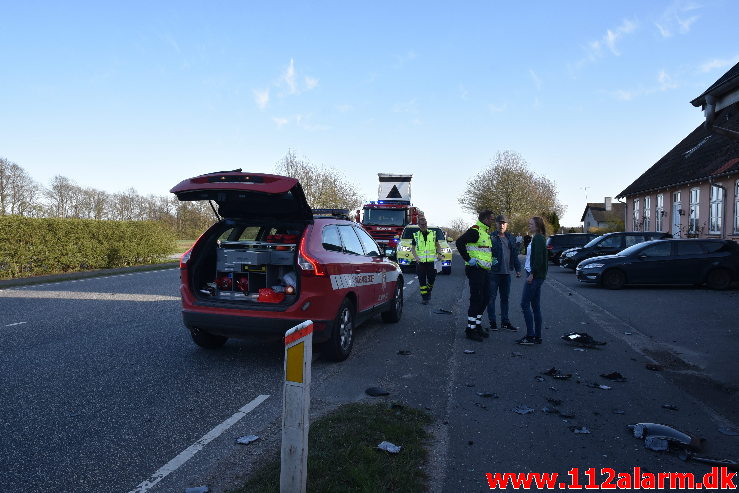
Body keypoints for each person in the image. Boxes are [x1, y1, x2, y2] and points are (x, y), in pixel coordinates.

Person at [455, 210, 496, 342]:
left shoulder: (485, 232)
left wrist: (491, 259)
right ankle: (470, 329)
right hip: (475, 270)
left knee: (485, 298)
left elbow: (483, 251)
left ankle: (477, 325)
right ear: (484, 219)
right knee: (476, 299)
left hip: (484, 270)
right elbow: (459, 242)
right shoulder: (475, 231)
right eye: (491, 219)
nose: (492, 221)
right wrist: (468, 259)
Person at [517, 216, 548, 345]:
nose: (529, 225)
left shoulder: (539, 238)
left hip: (534, 276)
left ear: (538, 225)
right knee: (535, 306)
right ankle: (537, 337)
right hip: (534, 275)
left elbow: (539, 259)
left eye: (531, 224)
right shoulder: (536, 238)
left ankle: (530, 336)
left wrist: (532, 274)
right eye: (529, 223)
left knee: (524, 304)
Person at [487, 214, 521, 331]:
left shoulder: (511, 238)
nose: (501, 225)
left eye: (503, 223)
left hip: (506, 274)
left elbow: (514, 255)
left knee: (505, 299)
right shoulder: (490, 237)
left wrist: (518, 269)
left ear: (506, 225)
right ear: (496, 224)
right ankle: (493, 322)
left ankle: (505, 322)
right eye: (499, 223)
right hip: (493, 273)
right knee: (491, 298)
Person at [411, 217, 443, 305]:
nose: (424, 226)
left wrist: (439, 254)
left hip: (431, 261)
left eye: (425, 224)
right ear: (419, 225)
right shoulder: (416, 235)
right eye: (422, 224)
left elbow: (438, 246)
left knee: (431, 279)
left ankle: (428, 291)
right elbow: (413, 249)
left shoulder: (433, 234)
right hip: (420, 262)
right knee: (422, 281)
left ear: (426, 223)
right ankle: (425, 298)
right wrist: (416, 257)